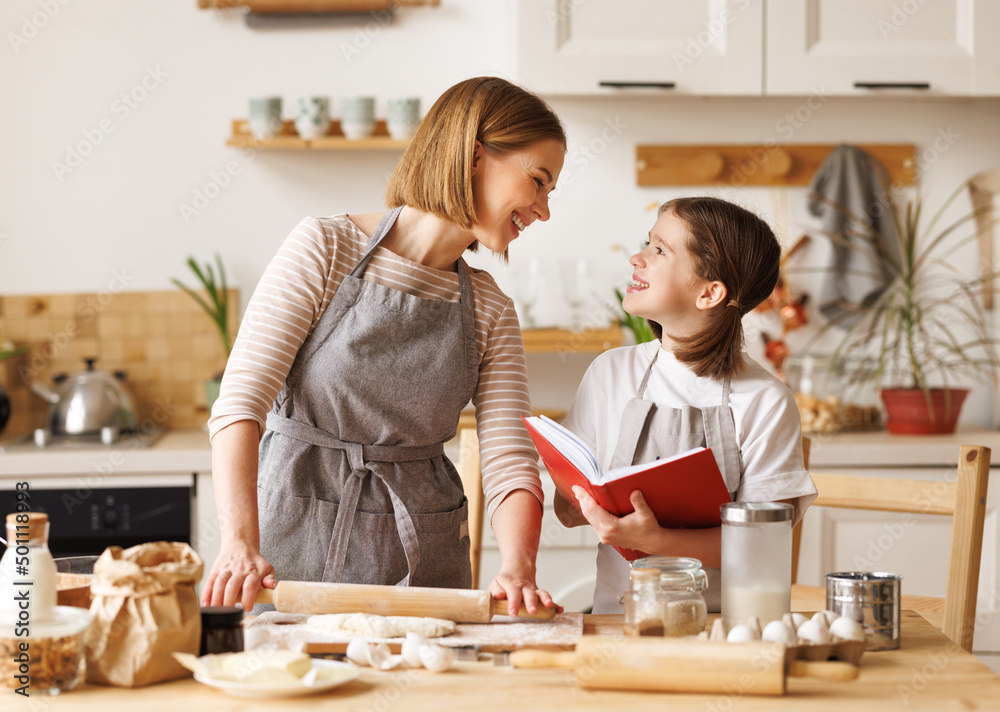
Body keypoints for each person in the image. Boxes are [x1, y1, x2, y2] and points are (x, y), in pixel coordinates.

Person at [202, 76, 566, 615]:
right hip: (287, 557)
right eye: (537, 181)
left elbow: (510, 460)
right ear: (473, 154)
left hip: (425, 570)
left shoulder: (491, 309)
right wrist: (238, 542)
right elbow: (240, 404)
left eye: (549, 192)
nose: (543, 209)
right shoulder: (325, 248)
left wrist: (519, 565)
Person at [555, 197, 817, 614]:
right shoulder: (610, 372)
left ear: (710, 292)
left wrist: (654, 540)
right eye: (647, 244)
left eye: (659, 250)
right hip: (615, 624)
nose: (637, 258)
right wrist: (578, 502)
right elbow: (566, 508)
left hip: (726, 633)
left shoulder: (766, 401)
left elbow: (762, 545)